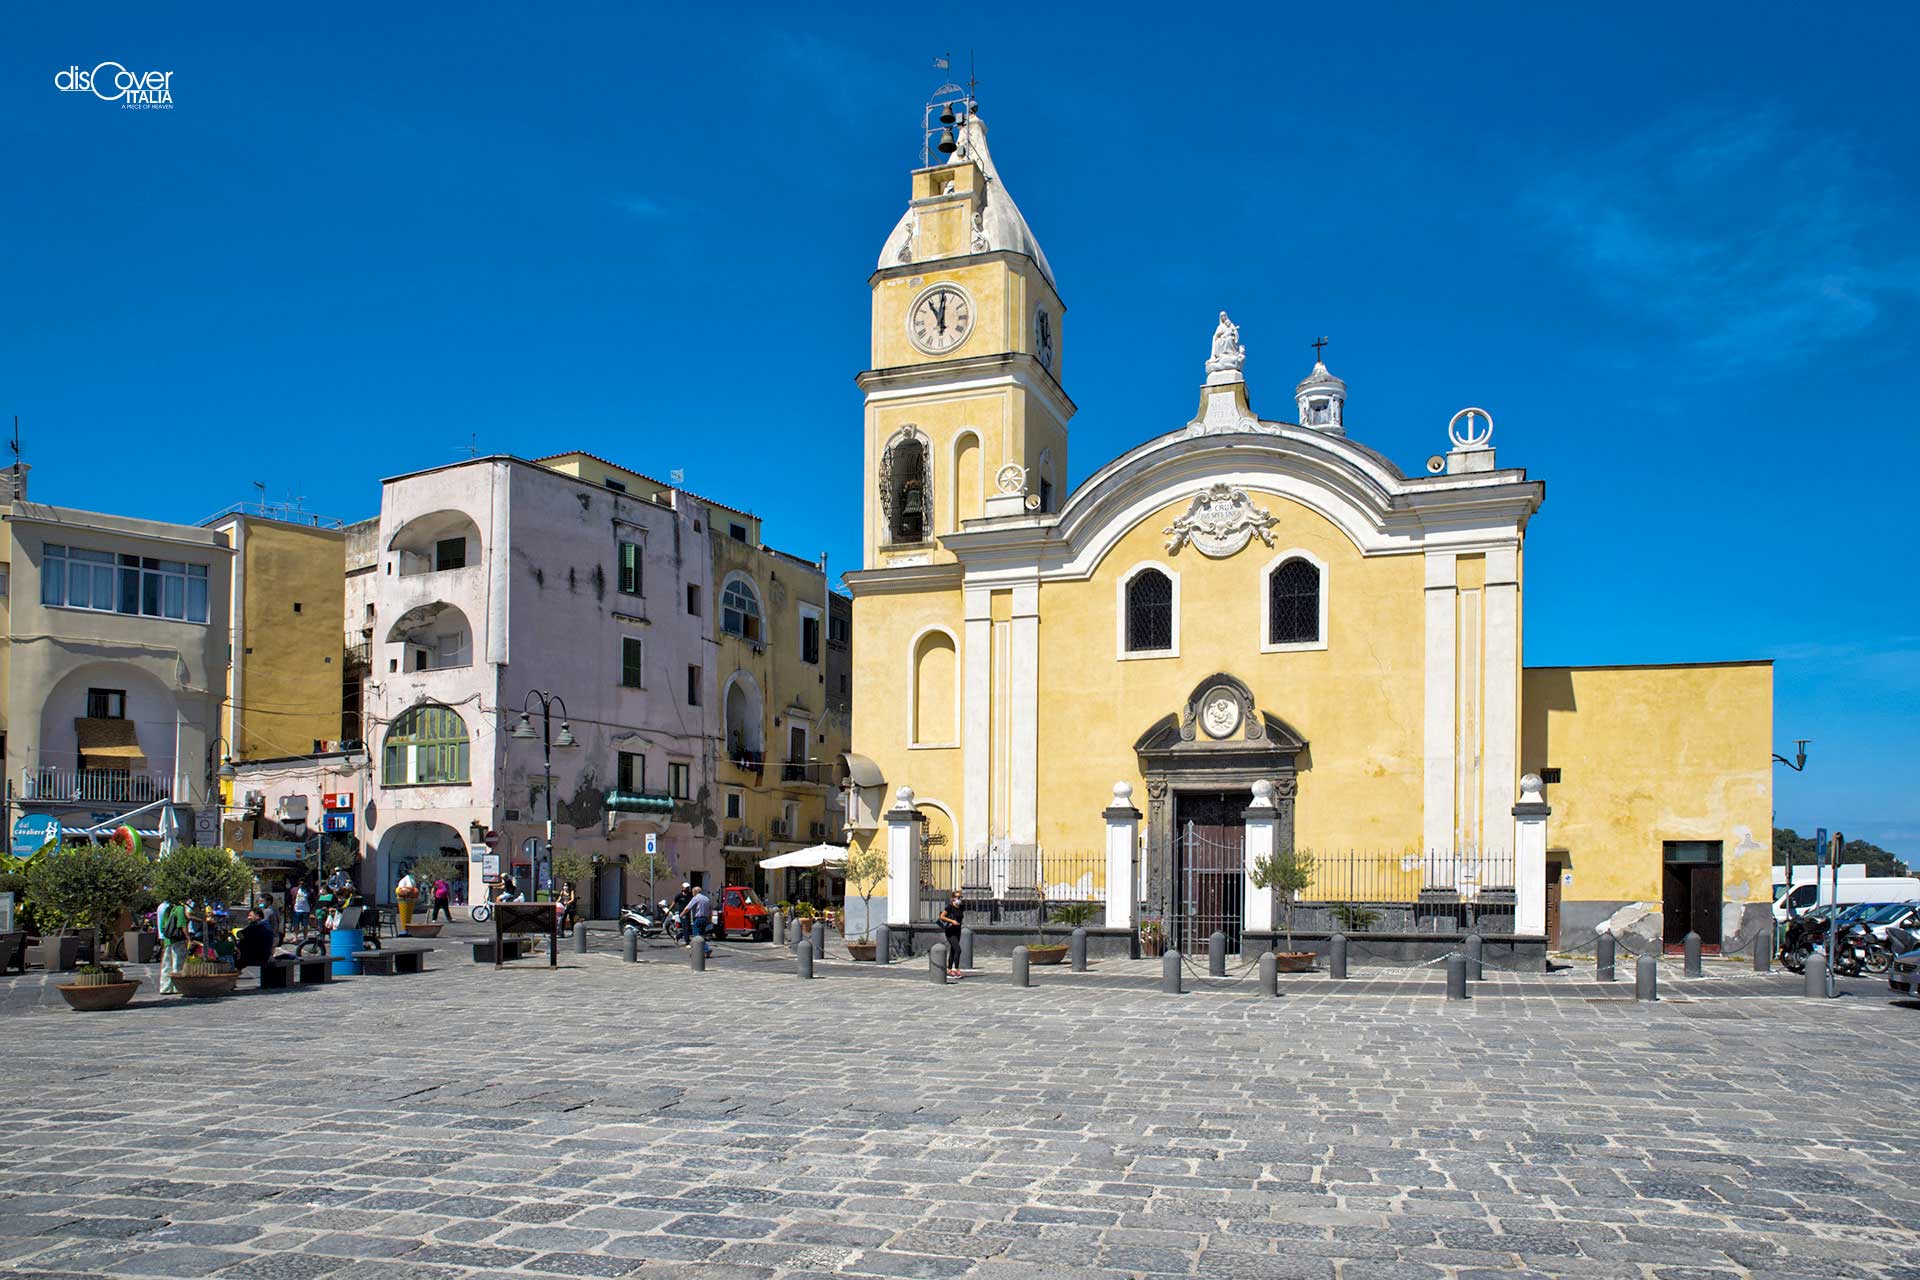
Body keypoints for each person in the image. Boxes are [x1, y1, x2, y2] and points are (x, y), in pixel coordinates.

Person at [156, 896, 188, 994]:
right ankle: (177, 987)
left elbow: (162, 926)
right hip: (178, 940)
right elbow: (182, 924)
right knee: (178, 964)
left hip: (167, 940)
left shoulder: (166, 909)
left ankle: (165, 987)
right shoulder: (179, 909)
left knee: (166, 965)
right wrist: (188, 938)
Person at [233, 908, 275, 973]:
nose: (248, 917)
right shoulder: (267, 926)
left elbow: (240, 934)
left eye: (250, 915)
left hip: (255, 956)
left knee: (236, 950)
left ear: (257, 916)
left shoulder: (256, 926)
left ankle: (236, 971)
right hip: (265, 955)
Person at [938, 890, 965, 978]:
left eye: (961, 897)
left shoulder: (961, 907)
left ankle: (949, 969)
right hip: (950, 931)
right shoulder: (949, 907)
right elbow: (941, 917)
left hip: (958, 931)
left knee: (953, 950)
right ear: (953, 898)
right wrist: (952, 921)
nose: (960, 899)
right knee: (958, 950)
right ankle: (957, 969)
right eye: (958, 897)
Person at [687, 885, 713, 959]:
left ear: (695, 892)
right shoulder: (706, 898)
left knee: (696, 936)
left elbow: (688, 907)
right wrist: (710, 920)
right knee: (701, 936)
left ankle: (703, 950)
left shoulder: (696, 898)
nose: (692, 893)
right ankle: (703, 950)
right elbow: (710, 909)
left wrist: (682, 914)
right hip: (705, 919)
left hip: (698, 919)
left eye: (692, 892)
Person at [670, 882, 694, 946]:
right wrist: (669, 910)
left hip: (688, 913)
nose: (687, 889)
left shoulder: (690, 895)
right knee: (685, 926)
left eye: (688, 888)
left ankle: (677, 937)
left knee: (688, 928)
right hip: (682, 913)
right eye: (686, 888)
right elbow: (674, 903)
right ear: (682, 888)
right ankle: (687, 941)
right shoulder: (679, 896)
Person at [395, 870, 419, 934]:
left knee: (406, 915)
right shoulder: (408, 881)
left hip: (405, 899)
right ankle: (406, 929)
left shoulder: (406, 881)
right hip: (405, 898)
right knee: (407, 915)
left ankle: (406, 929)